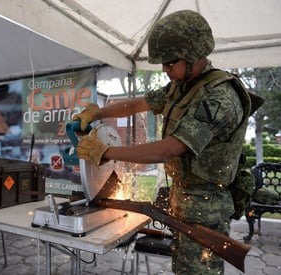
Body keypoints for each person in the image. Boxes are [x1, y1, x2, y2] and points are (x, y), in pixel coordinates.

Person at [73, 10, 252, 275]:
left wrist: (107, 152)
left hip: (206, 205)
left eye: (170, 62)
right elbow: (140, 103)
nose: (165, 69)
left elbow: (170, 148)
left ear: (193, 55)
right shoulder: (181, 86)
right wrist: (100, 112)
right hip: (184, 200)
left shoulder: (220, 98)